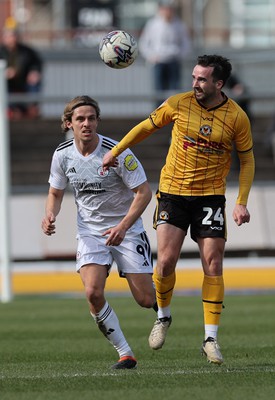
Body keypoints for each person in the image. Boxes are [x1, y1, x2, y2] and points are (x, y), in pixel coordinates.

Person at [102, 55, 255, 365]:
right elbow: (145, 128)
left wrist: (241, 201)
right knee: (167, 262)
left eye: (201, 79)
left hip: (211, 197)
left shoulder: (237, 117)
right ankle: (163, 316)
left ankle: (210, 338)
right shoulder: (178, 103)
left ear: (218, 84)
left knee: (213, 263)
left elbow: (248, 160)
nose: (195, 83)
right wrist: (114, 152)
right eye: (194, 76)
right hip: (173, 192)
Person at [41, 95, 157, 370]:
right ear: (68, 123)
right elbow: (55, 193)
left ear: (97, 121)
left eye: (92, 118)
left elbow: (143, 193)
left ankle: (162, 300)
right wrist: (50, 214)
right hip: (91, 232)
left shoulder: (117, 152)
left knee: (146, 300)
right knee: (93, 292)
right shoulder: (62, 154)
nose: (86, 124)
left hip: (126, 229)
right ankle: (125, 353)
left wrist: (123, 227)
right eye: (80, 119)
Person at [139, 0, 191, 107]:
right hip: (159, 63)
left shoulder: (179, 25)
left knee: (174, 91)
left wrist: (179, 55)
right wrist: (151, 56)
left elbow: (186, 43)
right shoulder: (153, 24)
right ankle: (159, 116)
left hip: (173, 62)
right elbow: (144, 43)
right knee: (159, 92)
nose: (168, 11)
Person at [0, 18, 43, 119]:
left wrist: (34, 72)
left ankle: (32, 108)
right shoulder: (1, 52)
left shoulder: (26, 51)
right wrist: (4, 74)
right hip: (7, 85)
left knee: (34, 85)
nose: (12, 38)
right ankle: (12, 110)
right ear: (4, 37)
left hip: (24, 83)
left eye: (14, 35)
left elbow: (36, 62)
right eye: (9, 35)